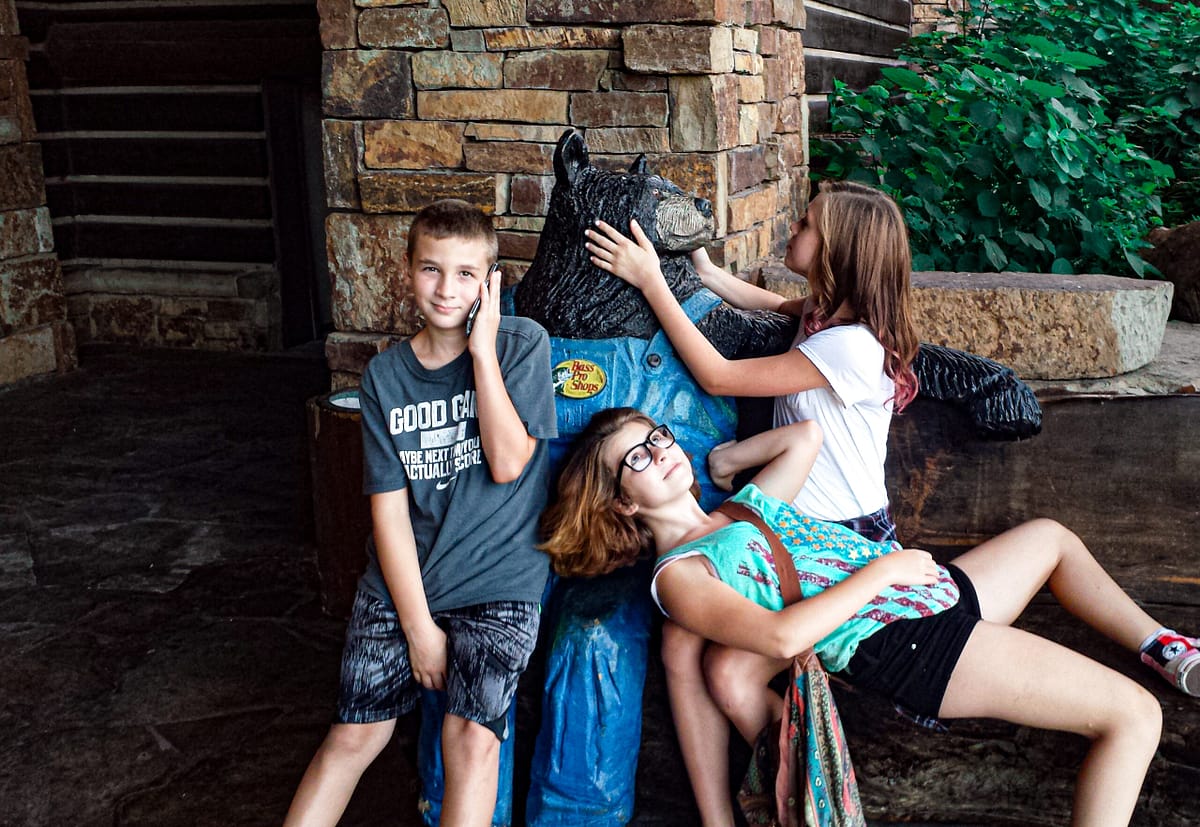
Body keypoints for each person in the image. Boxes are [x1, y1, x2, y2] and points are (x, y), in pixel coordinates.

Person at [541, 407, 1199, 827]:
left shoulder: (740, 509)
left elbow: (805, 438)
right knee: (1135, 717)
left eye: (657, 435)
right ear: (621, 503)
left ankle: (1164, 645)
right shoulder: (681, 574)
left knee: (1050, 538)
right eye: (637, 457)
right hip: (902, 639)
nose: (660, 450)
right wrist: (882, 572)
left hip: (928, 592)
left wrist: (729, 461)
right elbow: (781, 636)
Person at [584, 180, 920, 814]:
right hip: (785, 525)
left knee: (707, 657)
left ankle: (804, 790)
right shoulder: (824, 316)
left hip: (839, 535)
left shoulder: (849, 345)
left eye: (806, 224)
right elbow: (773, 304)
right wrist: (706, 273)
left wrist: (652, 281)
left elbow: (718, 377)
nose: (793, 228)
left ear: (839, 251)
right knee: (681, 641)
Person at [284, 199, 557, 827]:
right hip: (404, 584)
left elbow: (509, 462)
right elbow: (389, 515)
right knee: (355, 735)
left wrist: (481, 354)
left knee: (472, 738)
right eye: (431, 269)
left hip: (498, 584)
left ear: (490, 282)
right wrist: (418, 629)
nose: (446, 289)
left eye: (466, 274)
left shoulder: (521, 345)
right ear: (407, 269)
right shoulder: (385, 377)